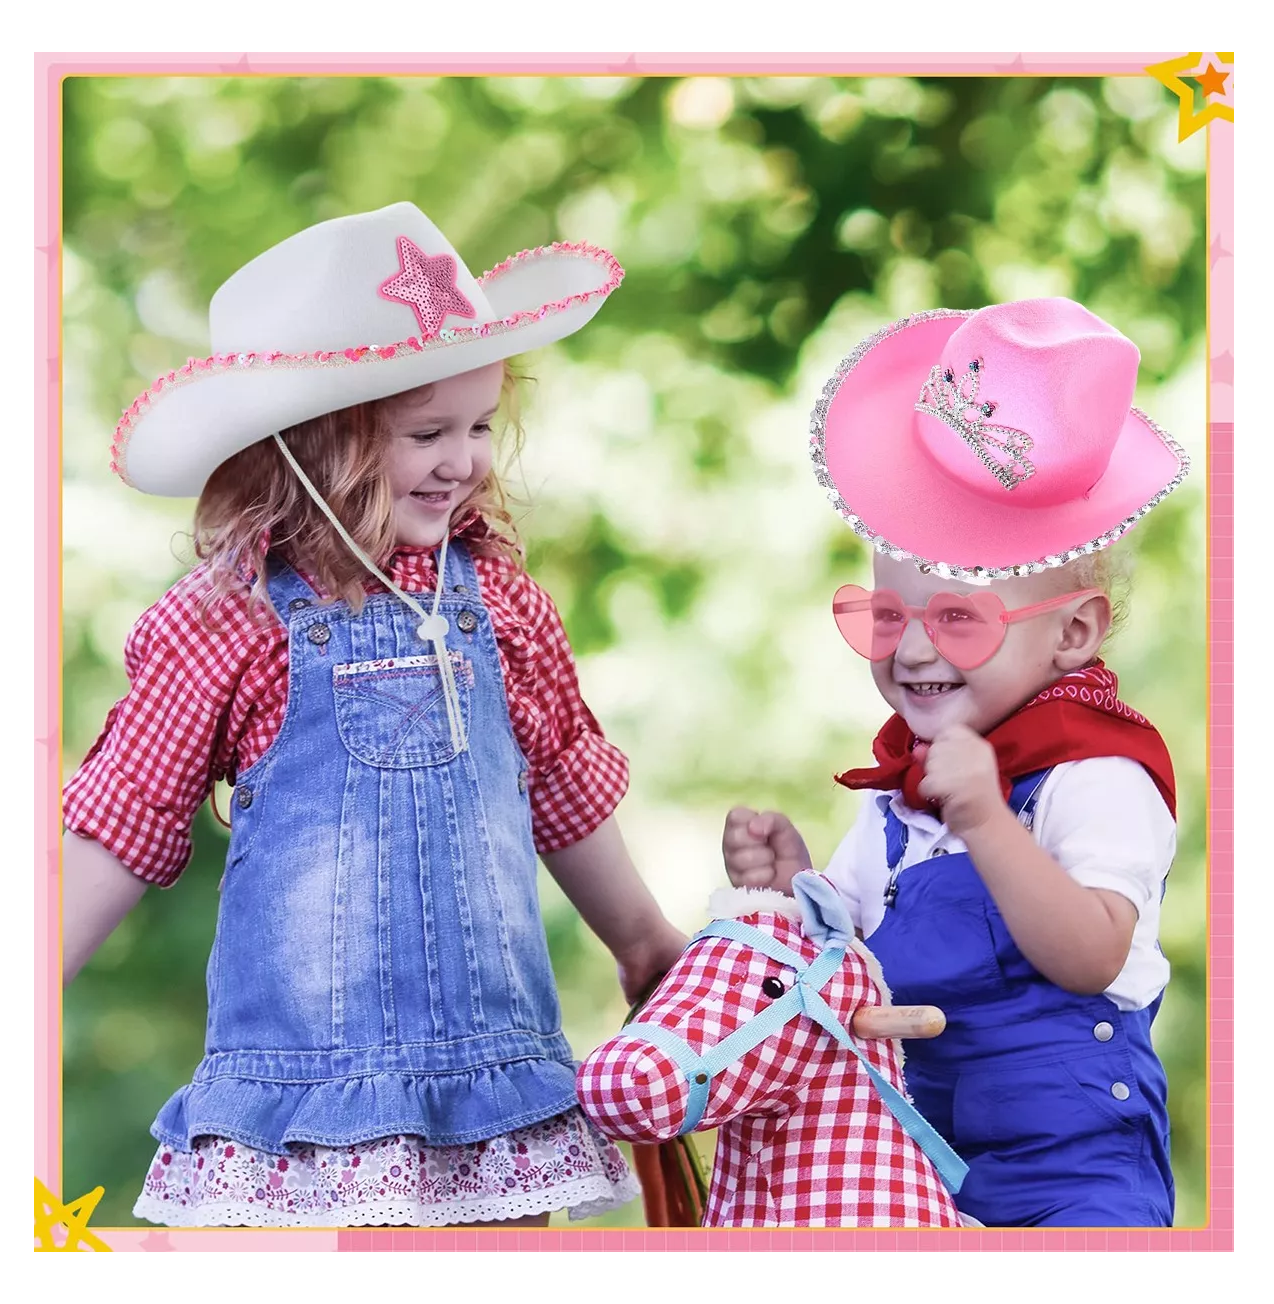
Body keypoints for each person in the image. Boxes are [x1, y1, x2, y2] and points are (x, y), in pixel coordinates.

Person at [62, 201, 687, 1229]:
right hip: (299, 1122)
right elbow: (124, 820)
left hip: (490, 1105)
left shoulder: (500, 604)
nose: (464, 460)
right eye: (425, 433)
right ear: (311, 445)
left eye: (480, 425)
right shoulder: (233, 619)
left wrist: (642, 939)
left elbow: (565, 789)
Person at [722, 298, 1190, 1227]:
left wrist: (986, 821)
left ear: (1075, 633)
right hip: (921, 1164)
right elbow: (846, 968)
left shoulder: (1095, 775)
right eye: (889, 616)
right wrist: (795, 888)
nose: (915, 653)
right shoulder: (900, 803)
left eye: (960, 619)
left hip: (1073, 1173)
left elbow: (1093, 953)